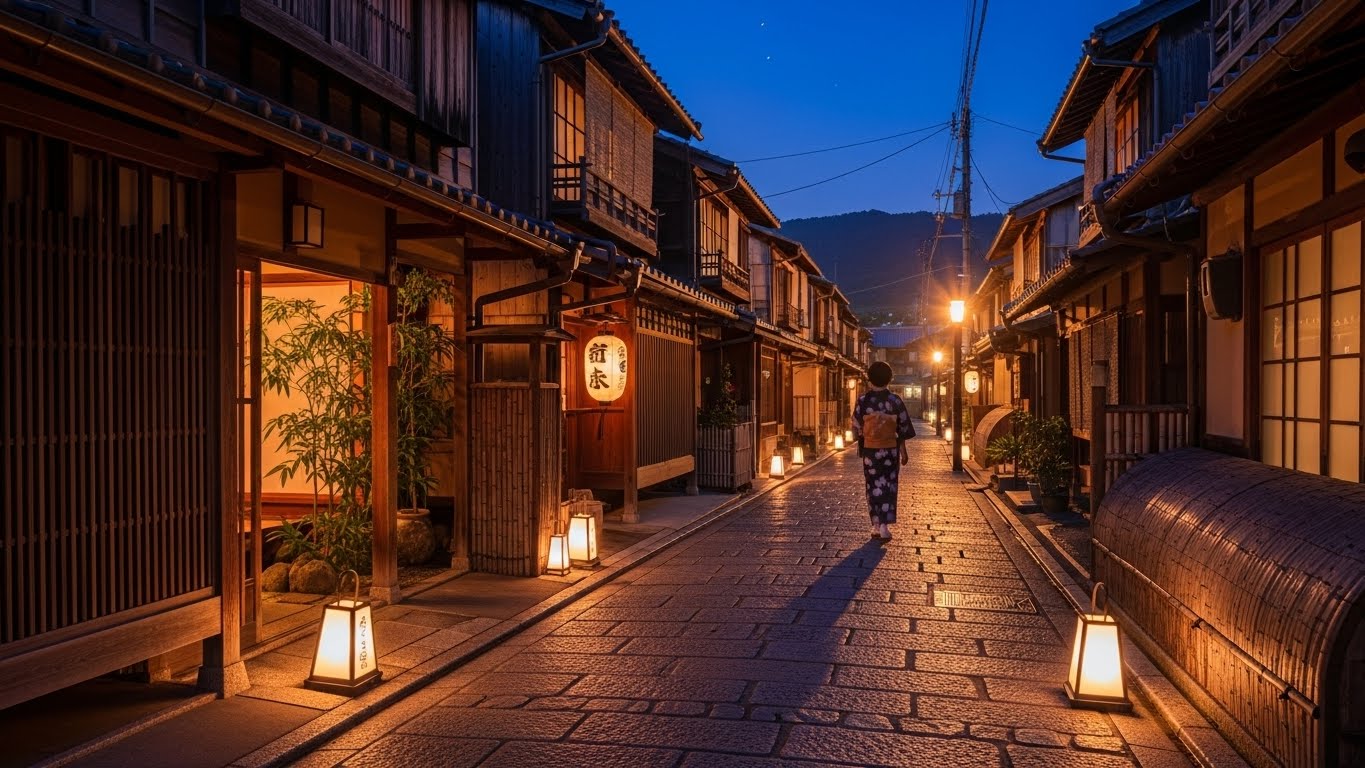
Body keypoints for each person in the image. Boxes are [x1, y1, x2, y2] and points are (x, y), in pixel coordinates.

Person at [851, 361, 914, 540]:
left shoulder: (863, 400)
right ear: (889, 379)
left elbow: (856, 425)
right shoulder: (895, 400)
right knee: (889, 486)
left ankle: (876, 525)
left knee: (873, 486)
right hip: (890, 450)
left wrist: (862, 435)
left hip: (871, 451)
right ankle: (885, 526)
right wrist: (903, 451)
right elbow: (903, 428)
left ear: (869, 379)